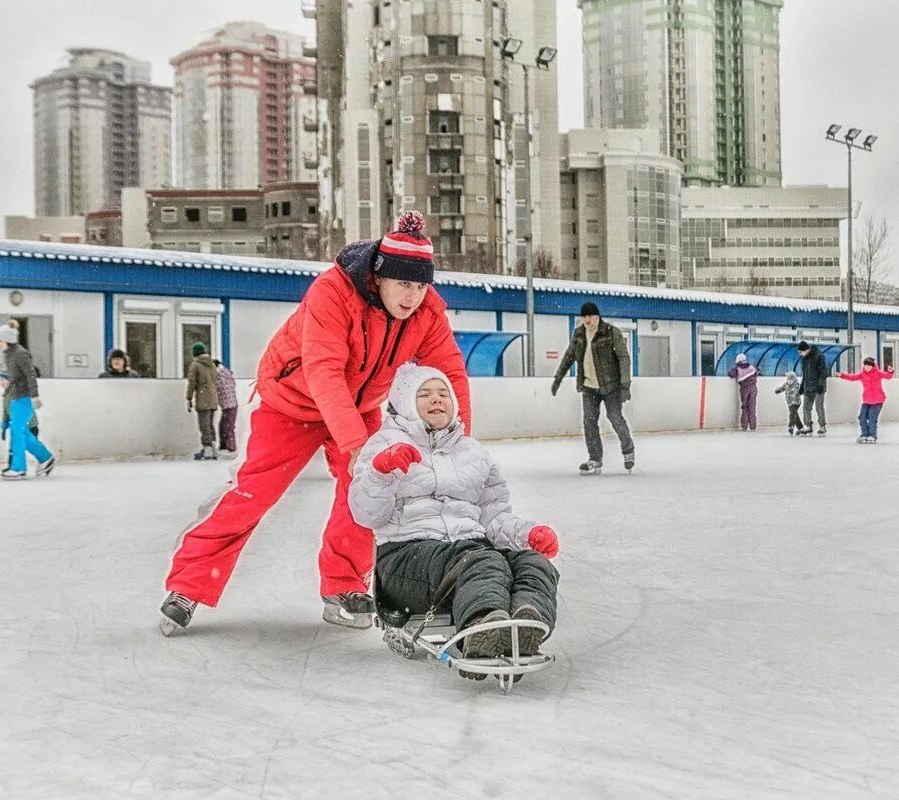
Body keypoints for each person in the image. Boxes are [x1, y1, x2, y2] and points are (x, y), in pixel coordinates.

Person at [161, 211, 471, 634]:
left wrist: (459, 441)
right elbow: (324, 370)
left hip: (360, 406)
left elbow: (450, 372)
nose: (413, 296)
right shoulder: (333, 292)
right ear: (379, 277)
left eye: (421, 286)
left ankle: (344, 585)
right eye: (404, 283)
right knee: (256, 493)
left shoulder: (426, 313)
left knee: (367, 489)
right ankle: (189, 585)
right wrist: (357, 445)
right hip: (292, 401)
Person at [349, 364, 559, 678]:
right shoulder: (383, 444)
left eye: (443, 393)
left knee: (533, 563)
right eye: (425, 394)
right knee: (481, 560)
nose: (437, 400)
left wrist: (527, 534)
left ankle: (523, 625)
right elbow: (366, 515)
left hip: (469, 556)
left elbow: (493, 516)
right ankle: (481, 628)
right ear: (405, 402)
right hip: (407, 559)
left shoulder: (473, 452)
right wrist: (380, 473)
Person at [551, 302, 635, 475]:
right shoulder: (579, 334)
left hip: (611, 386)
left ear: (597, 316)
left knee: (615, 417)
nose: (588, 320)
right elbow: (569, 356)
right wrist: (558, 378)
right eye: (585, 316)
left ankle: (628, 451)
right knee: (589, 422)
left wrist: (625, 386)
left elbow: (624, 358)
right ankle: (595, 459)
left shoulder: (611, 332)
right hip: (589, 386)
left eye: (591, 316)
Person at [0, 321, 55, 480]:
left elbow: (30, 375)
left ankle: (18, 468)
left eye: (0, 340)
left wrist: (35, 396)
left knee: (17, 430)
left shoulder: (21, 354)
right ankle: (45, 457)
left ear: (7, 340)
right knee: (21, 432)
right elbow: (12, 378)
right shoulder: (8, 355)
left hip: (24, 397)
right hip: (15, 396)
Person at [837, 357, 896, 443]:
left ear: (873, 366)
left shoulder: (878, 373)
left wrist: (891, 371)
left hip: (877, 401)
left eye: (869, 366)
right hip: (867, 400)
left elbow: (888, 376)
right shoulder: (862, 375)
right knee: (862, 417)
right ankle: (864, 434)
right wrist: (842, 375)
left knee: (872, 418)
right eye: (865, 365)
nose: (867, 367)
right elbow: (852, 377)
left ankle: (872, 435)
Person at [186, 343, 219, 461]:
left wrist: (188, 397)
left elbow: (192, 383)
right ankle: (213, 447)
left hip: (202, 397)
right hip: (213, 397)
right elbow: (215, 379)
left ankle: (207, 448)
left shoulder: (195, 365)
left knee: (203, 424)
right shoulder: (212, 364)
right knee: (209, 424)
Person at [796, 341, 830, 436]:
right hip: (808, 385)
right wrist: (802, 386)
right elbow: (805, 375)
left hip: (819, 386)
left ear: (806, 349)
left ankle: (822, 426)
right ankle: (808, 426)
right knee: (806, 407)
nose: (800, 354)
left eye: (800, 352)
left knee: (819, 407)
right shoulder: (804, 359)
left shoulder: (819, 356)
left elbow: (824, 372)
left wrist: (820, 385)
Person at [727, 353, 761, 431]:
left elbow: (731, 374)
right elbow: (757, 373)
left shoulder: (738, 369)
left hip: (744, 388)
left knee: (745, 407)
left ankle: (744, 426)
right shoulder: (752, 367)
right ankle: (753, 426)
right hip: (753, 388)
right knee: (752, 407)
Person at [213, 359, 239, 457]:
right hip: (229, 404)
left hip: (229, 404)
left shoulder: (221, 374)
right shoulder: (226, 373)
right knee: (223, 426)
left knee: (228, 427)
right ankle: (224, 445)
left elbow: (217, 386)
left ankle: (231, 448)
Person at [774, 371, 805, 436]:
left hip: (796, 402)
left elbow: (801, 391)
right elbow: (782, 388)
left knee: (792, 414)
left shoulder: (797, 385)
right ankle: (801, 428)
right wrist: (778, 390)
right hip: (790, 402)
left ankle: (791, 426)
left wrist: (804, 392)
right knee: (795, 415)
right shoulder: (786, 384)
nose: (789, 380)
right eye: (788, 378)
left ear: (794, 378)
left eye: (790, 378)